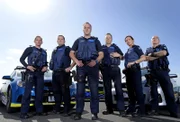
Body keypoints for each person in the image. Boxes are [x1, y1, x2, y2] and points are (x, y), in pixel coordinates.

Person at [69, 22, 104, 120]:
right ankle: (78, 112)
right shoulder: (78, 40)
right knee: (80, 91)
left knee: (94, 91)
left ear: (91, 29)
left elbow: (101, 54)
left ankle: (94, 113)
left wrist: (96, 61)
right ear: (83, 29)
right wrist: (76, 61)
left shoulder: (96, 40)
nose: (87, 29)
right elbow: (71, 53)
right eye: (85, 27)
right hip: (81, 67)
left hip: (93, 66)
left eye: (88, 27)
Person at [145, 36, 178, 118]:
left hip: (162, 71)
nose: (154, 40)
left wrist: (153, 54)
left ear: (158, 40)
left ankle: (173, 111)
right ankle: (154, 110)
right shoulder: (148, 49)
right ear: (151, 41)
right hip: (152, 72)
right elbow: (147, 58)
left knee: (168, 92)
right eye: (152, 39)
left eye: (156, 38)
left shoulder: (162, 46)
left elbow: (163, 53)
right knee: (153, 92)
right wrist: (156, 55)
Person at [19, 36, 48, 119]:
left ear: (42, 42)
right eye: (37, 40)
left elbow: (45, 62)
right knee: (27, 93)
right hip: (31, 73)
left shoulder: (44, 52)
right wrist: (27, 66)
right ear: (34, 41)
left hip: (40, 74)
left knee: (39, 93)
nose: (38, 41)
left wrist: (45, 66)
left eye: (40, 40)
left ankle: (39, 111)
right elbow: (21, 59)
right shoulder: (30, 49)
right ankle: (23, 113)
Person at [49, 35, 76, 116]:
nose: (60, 40)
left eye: (62, 39)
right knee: (56, 92)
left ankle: (66, 110)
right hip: (55, 73)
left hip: (63, 73)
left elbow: (76, 57)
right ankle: (57, 109)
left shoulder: (67, 49)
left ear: (64, 41)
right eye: (59, 39)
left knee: (65, 92)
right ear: (57, 41)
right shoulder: (54, 50)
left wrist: (70, 67)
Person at [100, 33, 125, 116]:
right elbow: (98, 59)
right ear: (105, 39)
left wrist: (119, 55)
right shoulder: (101, 48)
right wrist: (99, 71)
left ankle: (121, 110)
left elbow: (122, 57)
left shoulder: (115, 47)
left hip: (115, 69)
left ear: (111, 39)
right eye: (106, 38)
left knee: (118, 89)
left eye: (109, 38)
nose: (108, 39)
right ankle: (109, 109)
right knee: (107, 90)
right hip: (105, 70)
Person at [123, 35, 146, 117]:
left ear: (133, 40)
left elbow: (143, 57)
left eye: (129, 39)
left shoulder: (136, 47)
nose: (127, 41)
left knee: (138, 90)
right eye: (126, 40)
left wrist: (134, 62)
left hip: (135, 70)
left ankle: (141, 110)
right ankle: (131, 108)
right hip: (128, 72)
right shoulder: (127, 51)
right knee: (130, 91)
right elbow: (123, 58)